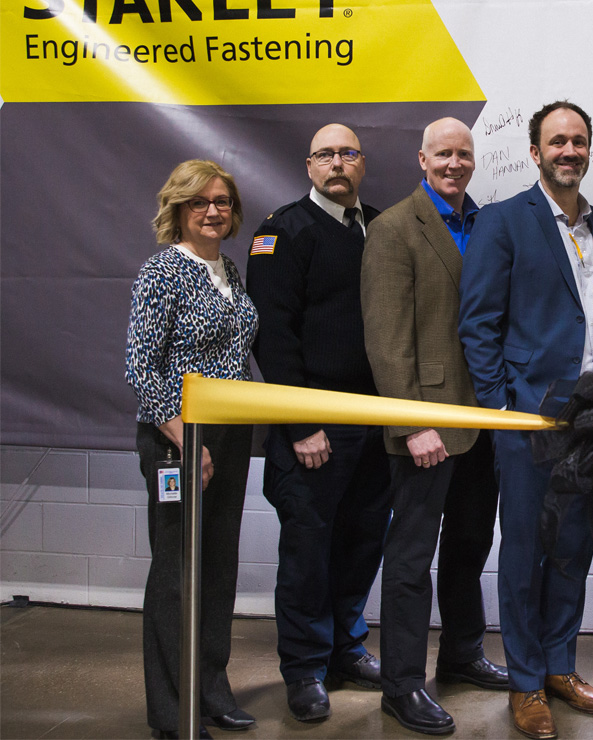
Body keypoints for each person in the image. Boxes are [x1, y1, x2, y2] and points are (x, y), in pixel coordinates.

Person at [459, 100, 593, 740]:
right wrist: (502, 407)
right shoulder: (504, 222)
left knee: (574, 548)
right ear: (535, 152)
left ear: (589, 149)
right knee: (526, 551)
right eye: (557, 141)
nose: (569, 151)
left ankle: (560, 665)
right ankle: (525, 682)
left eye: (578, 141)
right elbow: (478, 324)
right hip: (529, 417)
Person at [362, 117, 509, 735]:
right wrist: (414, 422)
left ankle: (462, 652)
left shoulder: (487, 223)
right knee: (410, 556)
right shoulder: (394, 227)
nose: (454, 163)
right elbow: (387, 338)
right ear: (422, 159)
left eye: (463, 154)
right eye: (443, 154)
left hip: (484, 419)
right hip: (428, 423)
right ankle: (401, 684)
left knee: (470, 547)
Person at [246, 124, 391, 723]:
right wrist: (303, 422)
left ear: (363, 163)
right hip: (315, 428)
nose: (338, 163)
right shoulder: (282, 232)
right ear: (309, 166)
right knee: (309, 550)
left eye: (348, 154)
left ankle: (345, 649)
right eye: (326, 154)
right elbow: (271, 335)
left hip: (378, 424)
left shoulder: (380, 227)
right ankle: (304, 667)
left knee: (360, 543)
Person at [125, 159, 259, 739]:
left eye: (222, 202)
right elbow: (140, 366)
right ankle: (173, 712)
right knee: (177, 572)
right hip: (175, 438)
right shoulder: (162, 272)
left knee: (218, 565)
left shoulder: (228, 269)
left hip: (228, 435)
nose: (212, 211)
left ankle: (211, 688)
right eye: (199, 202)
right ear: (178, 209)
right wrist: (186, 439)